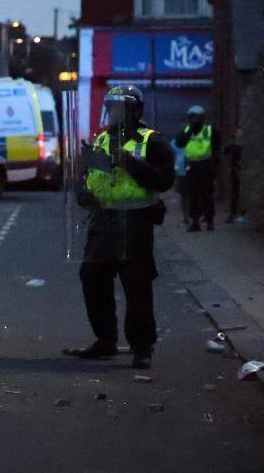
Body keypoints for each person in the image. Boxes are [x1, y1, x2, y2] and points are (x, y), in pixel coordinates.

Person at [63, 85, 175, 370]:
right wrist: (84, 192)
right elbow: (91, 177)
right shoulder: (101, 139)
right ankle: (105, 340)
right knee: (91, 276)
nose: (113, 114)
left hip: (135, 222)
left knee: (136, 286)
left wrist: (130, 164)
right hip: (103, 221)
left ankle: (142, 348)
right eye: (110, 108)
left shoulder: (152, 142)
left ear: (135, 111)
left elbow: (164, 181)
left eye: (119, 108)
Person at [175, 105, 218, 232]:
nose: (194, 120)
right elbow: (179, 143)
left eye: (197, 117)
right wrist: (188, 132)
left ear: (202, 118)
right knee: (193, 195)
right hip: (192, 165)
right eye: (192, 117)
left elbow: (216, 147)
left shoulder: (210, 130)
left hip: (206, 165)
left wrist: (215, 165)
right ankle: (195, 222)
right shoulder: (187, 130)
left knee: (207, 195)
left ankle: (210, 221)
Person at [224, 126, 245, 224]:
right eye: (237, 132)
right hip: (234, 171)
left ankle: (242, 214)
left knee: (242, 193)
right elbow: (225, 151)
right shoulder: (232, 144)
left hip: (244, 171)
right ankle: (233, 214)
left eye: (240, 132)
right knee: (234, 193)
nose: (239, 134)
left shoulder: (245, 145)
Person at [169, 137, 189, 225]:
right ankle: (187, 216)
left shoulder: (174, 143)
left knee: (185, 196)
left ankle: (187, 216)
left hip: (183, 171)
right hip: (183, 171)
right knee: (185, 195)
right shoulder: (174, 143)